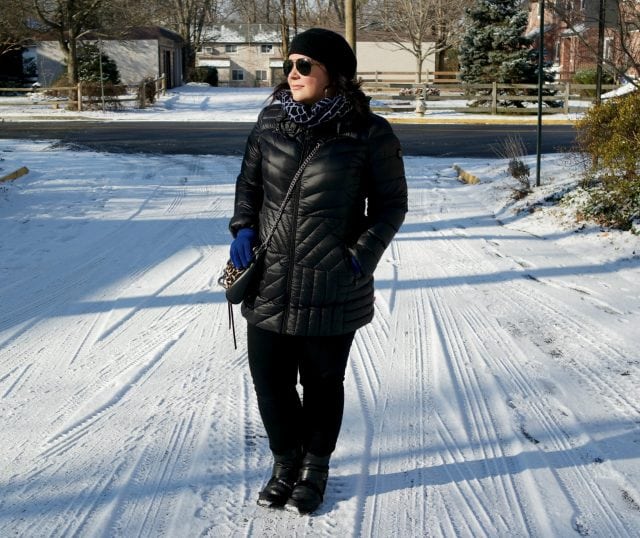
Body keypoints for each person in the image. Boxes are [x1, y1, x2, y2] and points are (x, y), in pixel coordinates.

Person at [228, 27, 407, 515]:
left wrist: (358, 256)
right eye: (289, 64)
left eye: (305, 65)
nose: (292, 73)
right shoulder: (270, 122)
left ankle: (315, 468)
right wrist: (243, 227)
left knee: (322, 383)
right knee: (270, 381)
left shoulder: (369, 133)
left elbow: (391, 205)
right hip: (269, 279)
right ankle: (285, 464)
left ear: (335, 76)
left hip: (330, 282)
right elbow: (248, 184)